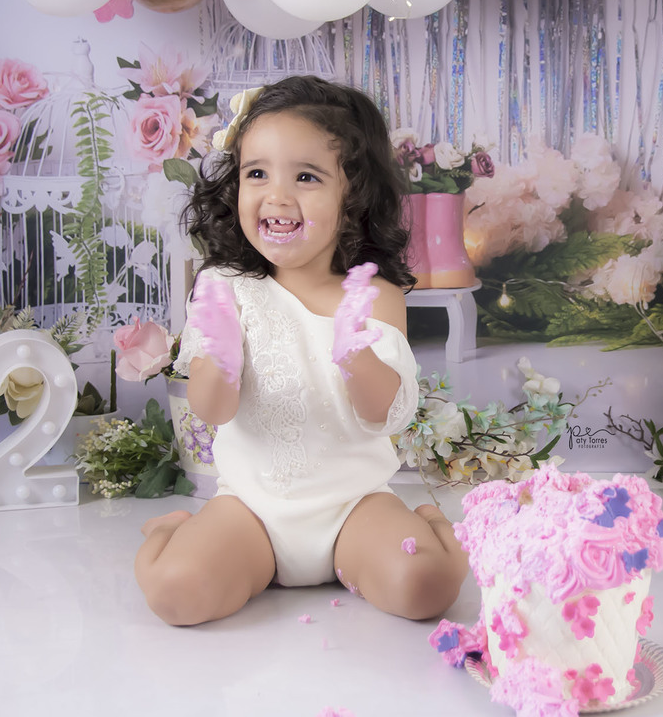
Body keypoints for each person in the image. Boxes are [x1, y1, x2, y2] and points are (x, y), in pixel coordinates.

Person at [134, 75, 469, 626]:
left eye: (307, 177)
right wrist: (221, 357)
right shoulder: (225, 288)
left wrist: (356, 355)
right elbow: (211, 410)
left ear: (352, 197)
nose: (277, 195)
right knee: (176, 592)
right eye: (257, 173)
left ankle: (431, 523)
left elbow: (386, 414)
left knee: (425, 588)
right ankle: (171, 531)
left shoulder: (373, 295)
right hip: (251, 511)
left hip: (353, 507)